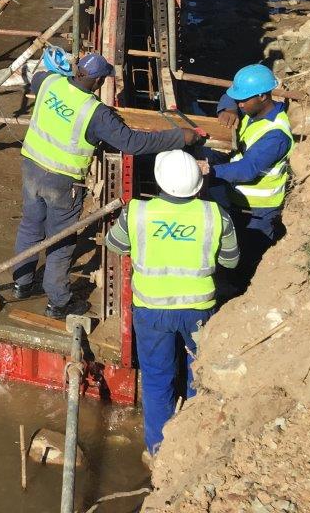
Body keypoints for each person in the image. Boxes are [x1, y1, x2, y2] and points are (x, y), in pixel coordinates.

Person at [15, 48, 201, 318]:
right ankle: (58, 302)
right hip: (61, 181)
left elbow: (37, 77)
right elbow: (132, 142)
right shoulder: (96, 113)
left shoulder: (49, 82)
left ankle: (22, 284)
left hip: (31, 168)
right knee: (61, 240)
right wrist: (179, 137)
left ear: (77, 71)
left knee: (31, 226)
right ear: (99, 82)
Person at [105, 150, 239, 462]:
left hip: (151, 309)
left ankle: (158, 451)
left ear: (160, 181)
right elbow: (231, 261)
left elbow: (114, 245)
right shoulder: (216, 214)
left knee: (155, 379)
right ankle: (192, 448)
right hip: (199, 309)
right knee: (199, 374)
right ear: (198, 184)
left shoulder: (136, 212)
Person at [196, 63, 293, 285]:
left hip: (258, 212)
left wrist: (209, 171)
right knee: (233, 248)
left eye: (243, 100)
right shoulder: (254, 108)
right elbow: (230, 97)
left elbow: (246, 170)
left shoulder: (275, 135)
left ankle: (239, 289)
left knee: (247, 258)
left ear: (261, 96)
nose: (240, 104)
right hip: (240, 203)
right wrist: (227, 109)